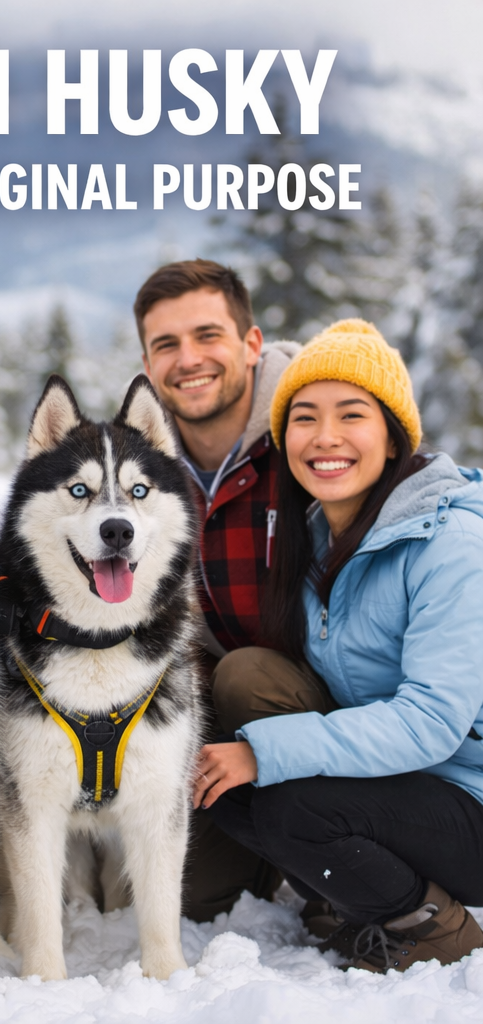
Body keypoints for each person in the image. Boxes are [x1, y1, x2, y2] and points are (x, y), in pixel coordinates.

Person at [195, 318, 483, 971]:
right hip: (401, 784)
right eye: (304, 418)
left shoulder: (452, 543)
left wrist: (263, 751)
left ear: (391, 437)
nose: (325, 437)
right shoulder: (319, 537)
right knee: (228, 789)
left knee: (290, 803)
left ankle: (433, 926)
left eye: (351, 415)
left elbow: (434, 723)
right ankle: (356, 890)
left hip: (468, 793)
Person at [133, 259, 300, 920]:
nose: (188, 359)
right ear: (146, 363)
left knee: (247, 674)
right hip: (213, 714)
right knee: (192, 900)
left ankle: (335, 869)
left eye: (208, 336)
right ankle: (263, 847)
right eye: (166, 345)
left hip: (329, 703)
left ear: (252, 344)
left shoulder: (310, 433)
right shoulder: (140, 468)